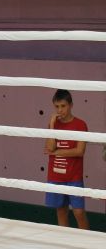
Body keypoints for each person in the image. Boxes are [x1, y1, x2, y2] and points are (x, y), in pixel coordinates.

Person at [43, 89, 89, 229]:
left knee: (79, 212)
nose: (60, 110)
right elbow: (49, 148)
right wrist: (52, 125)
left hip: (74, 176)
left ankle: (87, 240)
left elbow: (79, 151)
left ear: (71, 105)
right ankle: (65, 241)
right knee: (61, 211)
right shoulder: (54, 124)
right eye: (57, 106)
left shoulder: (80, 124)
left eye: (63, 106)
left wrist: (57, 152)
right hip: (56, 176)